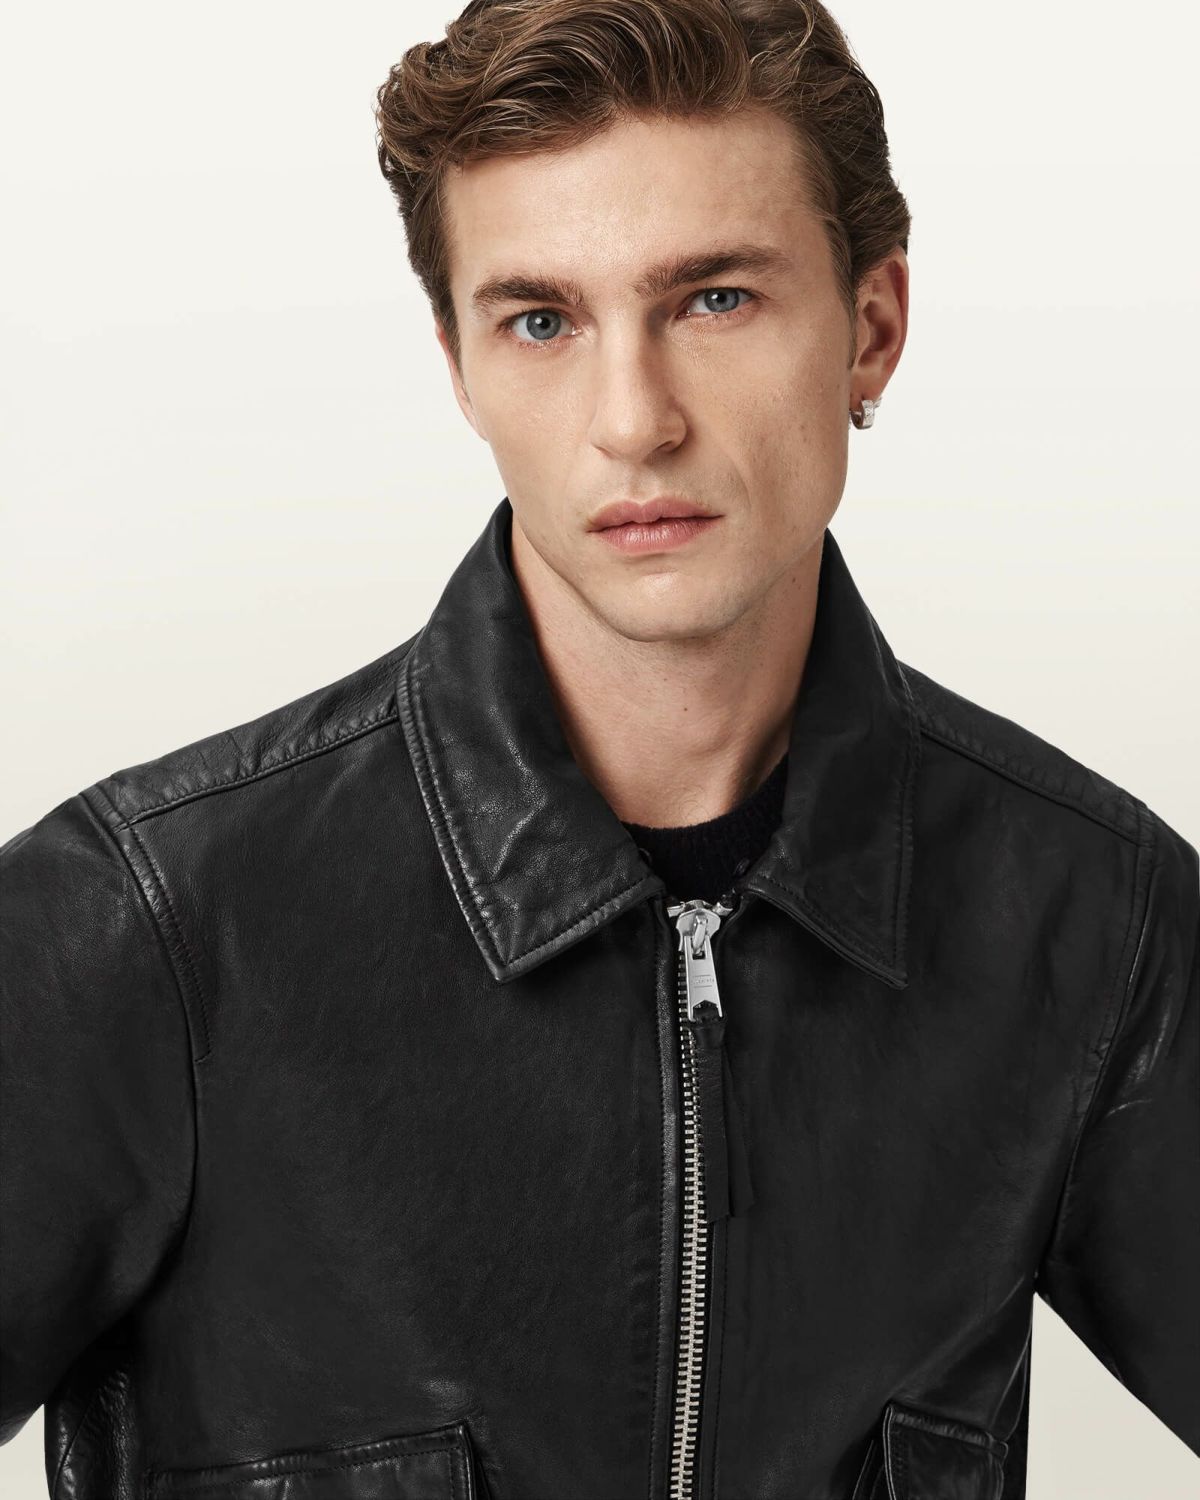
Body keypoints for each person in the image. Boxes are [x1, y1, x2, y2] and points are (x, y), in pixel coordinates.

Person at [2, 1, 1196, 1496]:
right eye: (542, 321)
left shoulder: (1091, 923)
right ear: (460, 363)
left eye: (714, 300)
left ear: (873, 327)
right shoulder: (145, 924)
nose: (633, 423)